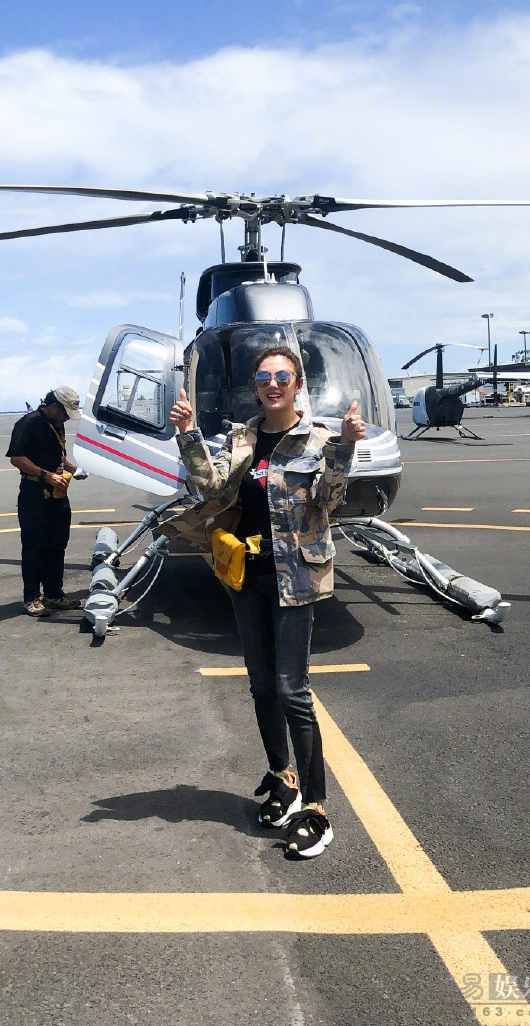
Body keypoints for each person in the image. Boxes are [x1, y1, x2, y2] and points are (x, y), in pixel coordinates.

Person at [169, 346, 366, 859]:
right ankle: (284, 778)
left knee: (292, 690)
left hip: (295, 576)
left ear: (298, 383)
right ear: (256, 387)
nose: (272, 384)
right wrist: (188, 432)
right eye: (263, 377)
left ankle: (316, 809)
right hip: (245, 576)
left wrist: (344, 447)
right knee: (260, 687)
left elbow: (328, 500)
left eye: (282, 376)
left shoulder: (317, 438)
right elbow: (209, 486)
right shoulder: (243, 439)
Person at [6, 385, 88, 616]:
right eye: (64, 413)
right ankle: (31, 597)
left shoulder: (57, 423)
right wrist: (46, 475)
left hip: (57, 493)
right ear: (53, 406)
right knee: (34, 546)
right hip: (34, 493)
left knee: (57, 544)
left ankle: (53, 594)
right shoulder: (28, 423)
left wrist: (74, 468)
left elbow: (59, 455)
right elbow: (16, 458)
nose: (66, 419)